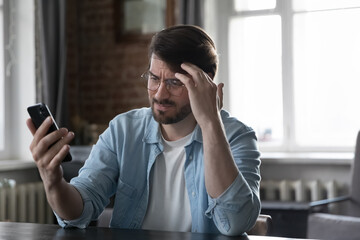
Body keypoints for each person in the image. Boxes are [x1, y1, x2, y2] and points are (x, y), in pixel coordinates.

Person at [26, 25, 261, 236]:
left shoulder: (237, 136)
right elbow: (79, 212)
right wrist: (52, 180)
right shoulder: (124, 130)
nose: (159, 94)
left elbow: (234, 223)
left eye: (174, 83)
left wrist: (210, 123)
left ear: (205, 83)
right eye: (154, 78)